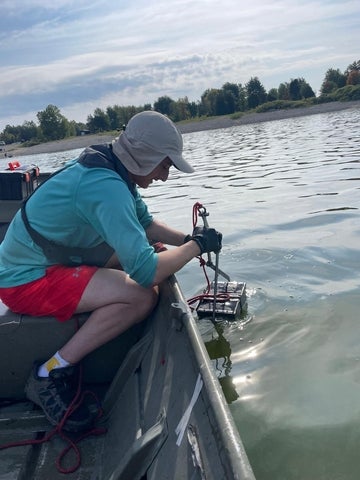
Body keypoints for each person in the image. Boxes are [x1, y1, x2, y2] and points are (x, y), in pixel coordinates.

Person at [0, 111, 222, 432]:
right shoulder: (106, 187)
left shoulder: (113, 168)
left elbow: (146, 225)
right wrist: (195, 249)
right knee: (140, 296)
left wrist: (188, 240)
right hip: (25, 282)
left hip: (44, 262)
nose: (165, 176)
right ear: (145, 157)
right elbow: (146, 273)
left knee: (146, 254)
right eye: (165, 165)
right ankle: (49, 374)